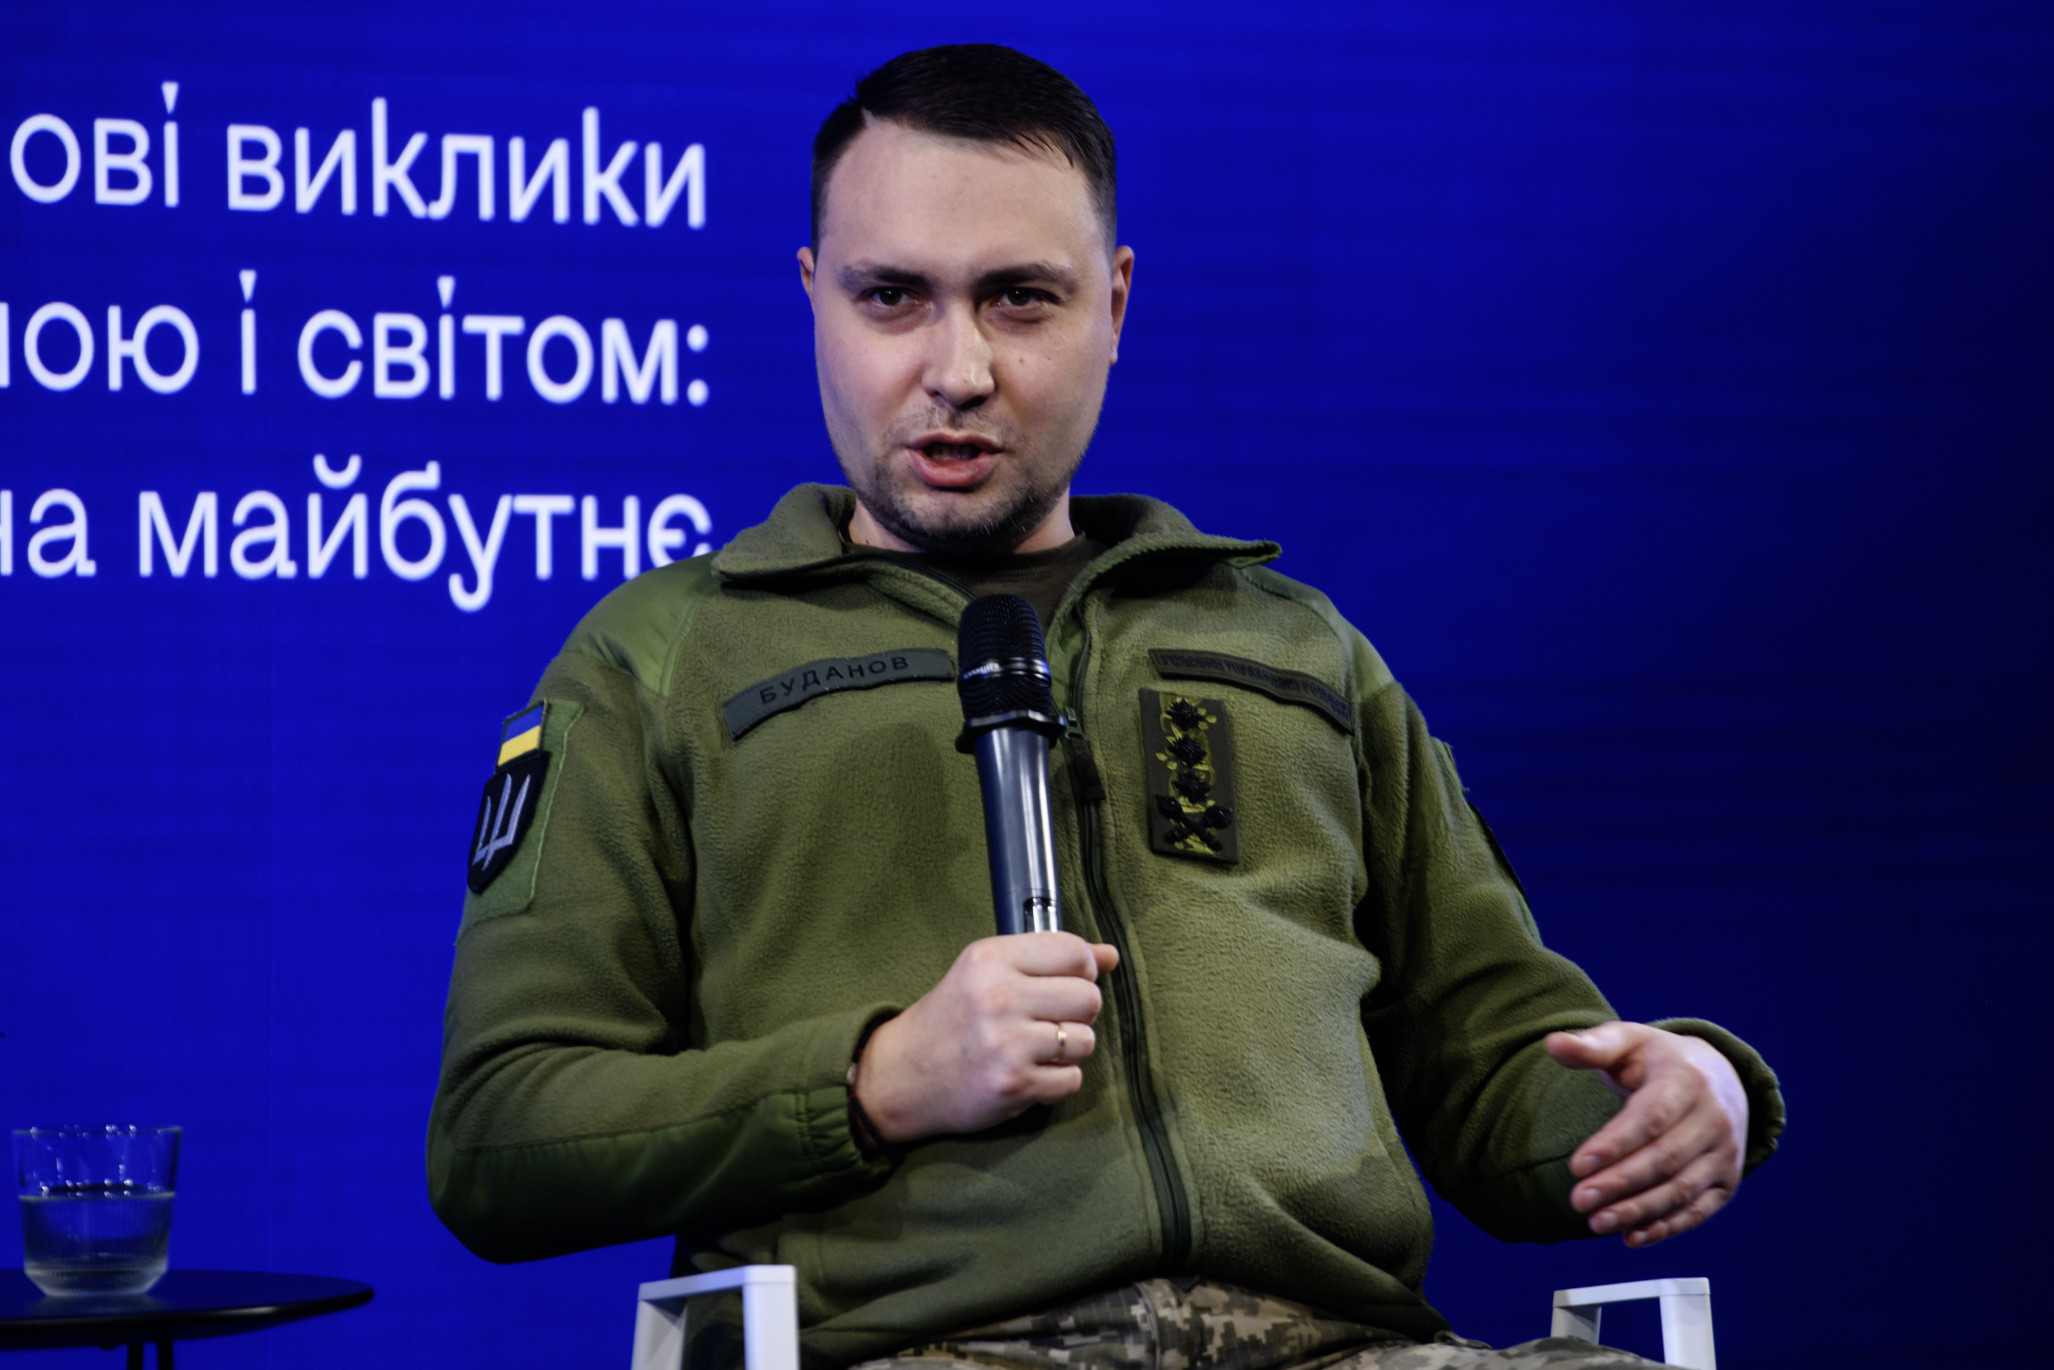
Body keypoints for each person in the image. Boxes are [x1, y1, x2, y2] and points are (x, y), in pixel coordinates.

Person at [429, 43, 1784, 1370]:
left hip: (1334, 1345)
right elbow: (501, 1134)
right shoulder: (661, 658)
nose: (958, 368)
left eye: (1020, 299)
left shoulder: (1295, 644)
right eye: (892, 297)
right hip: (924, 1345)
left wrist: (1675, 1095)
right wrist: (874, 1079)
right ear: (812, 297)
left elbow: (1495, 1067)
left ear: (1116, 303)